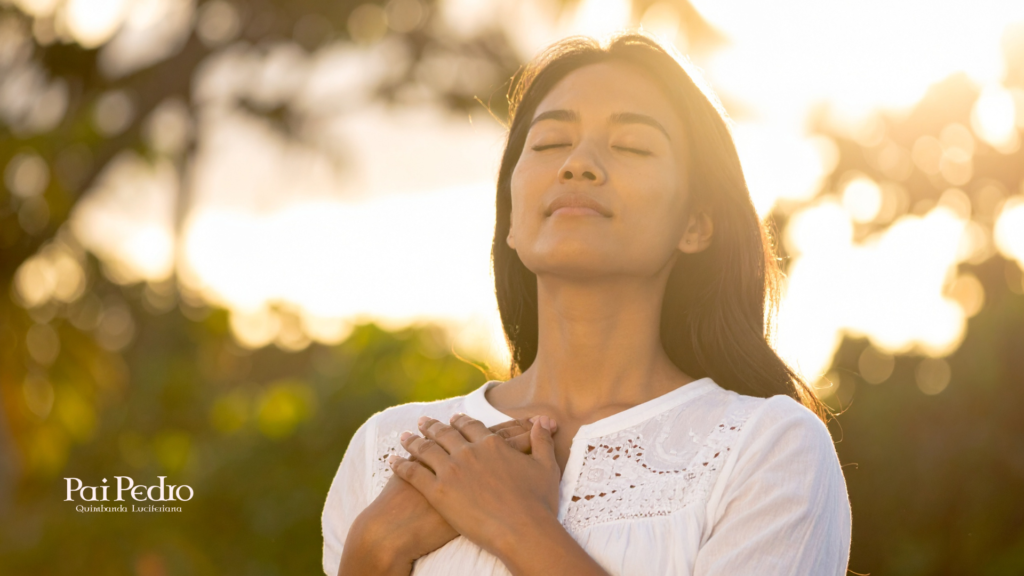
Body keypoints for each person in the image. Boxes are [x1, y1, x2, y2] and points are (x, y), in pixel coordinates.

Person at [322, 30, 851, 576]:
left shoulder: (766, 447)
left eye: (632, 146)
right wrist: (373, 549)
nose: (578, 164)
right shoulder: (390, 448)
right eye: (550, 143)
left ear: (695, 223)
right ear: (510, 217)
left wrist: (516, 525)